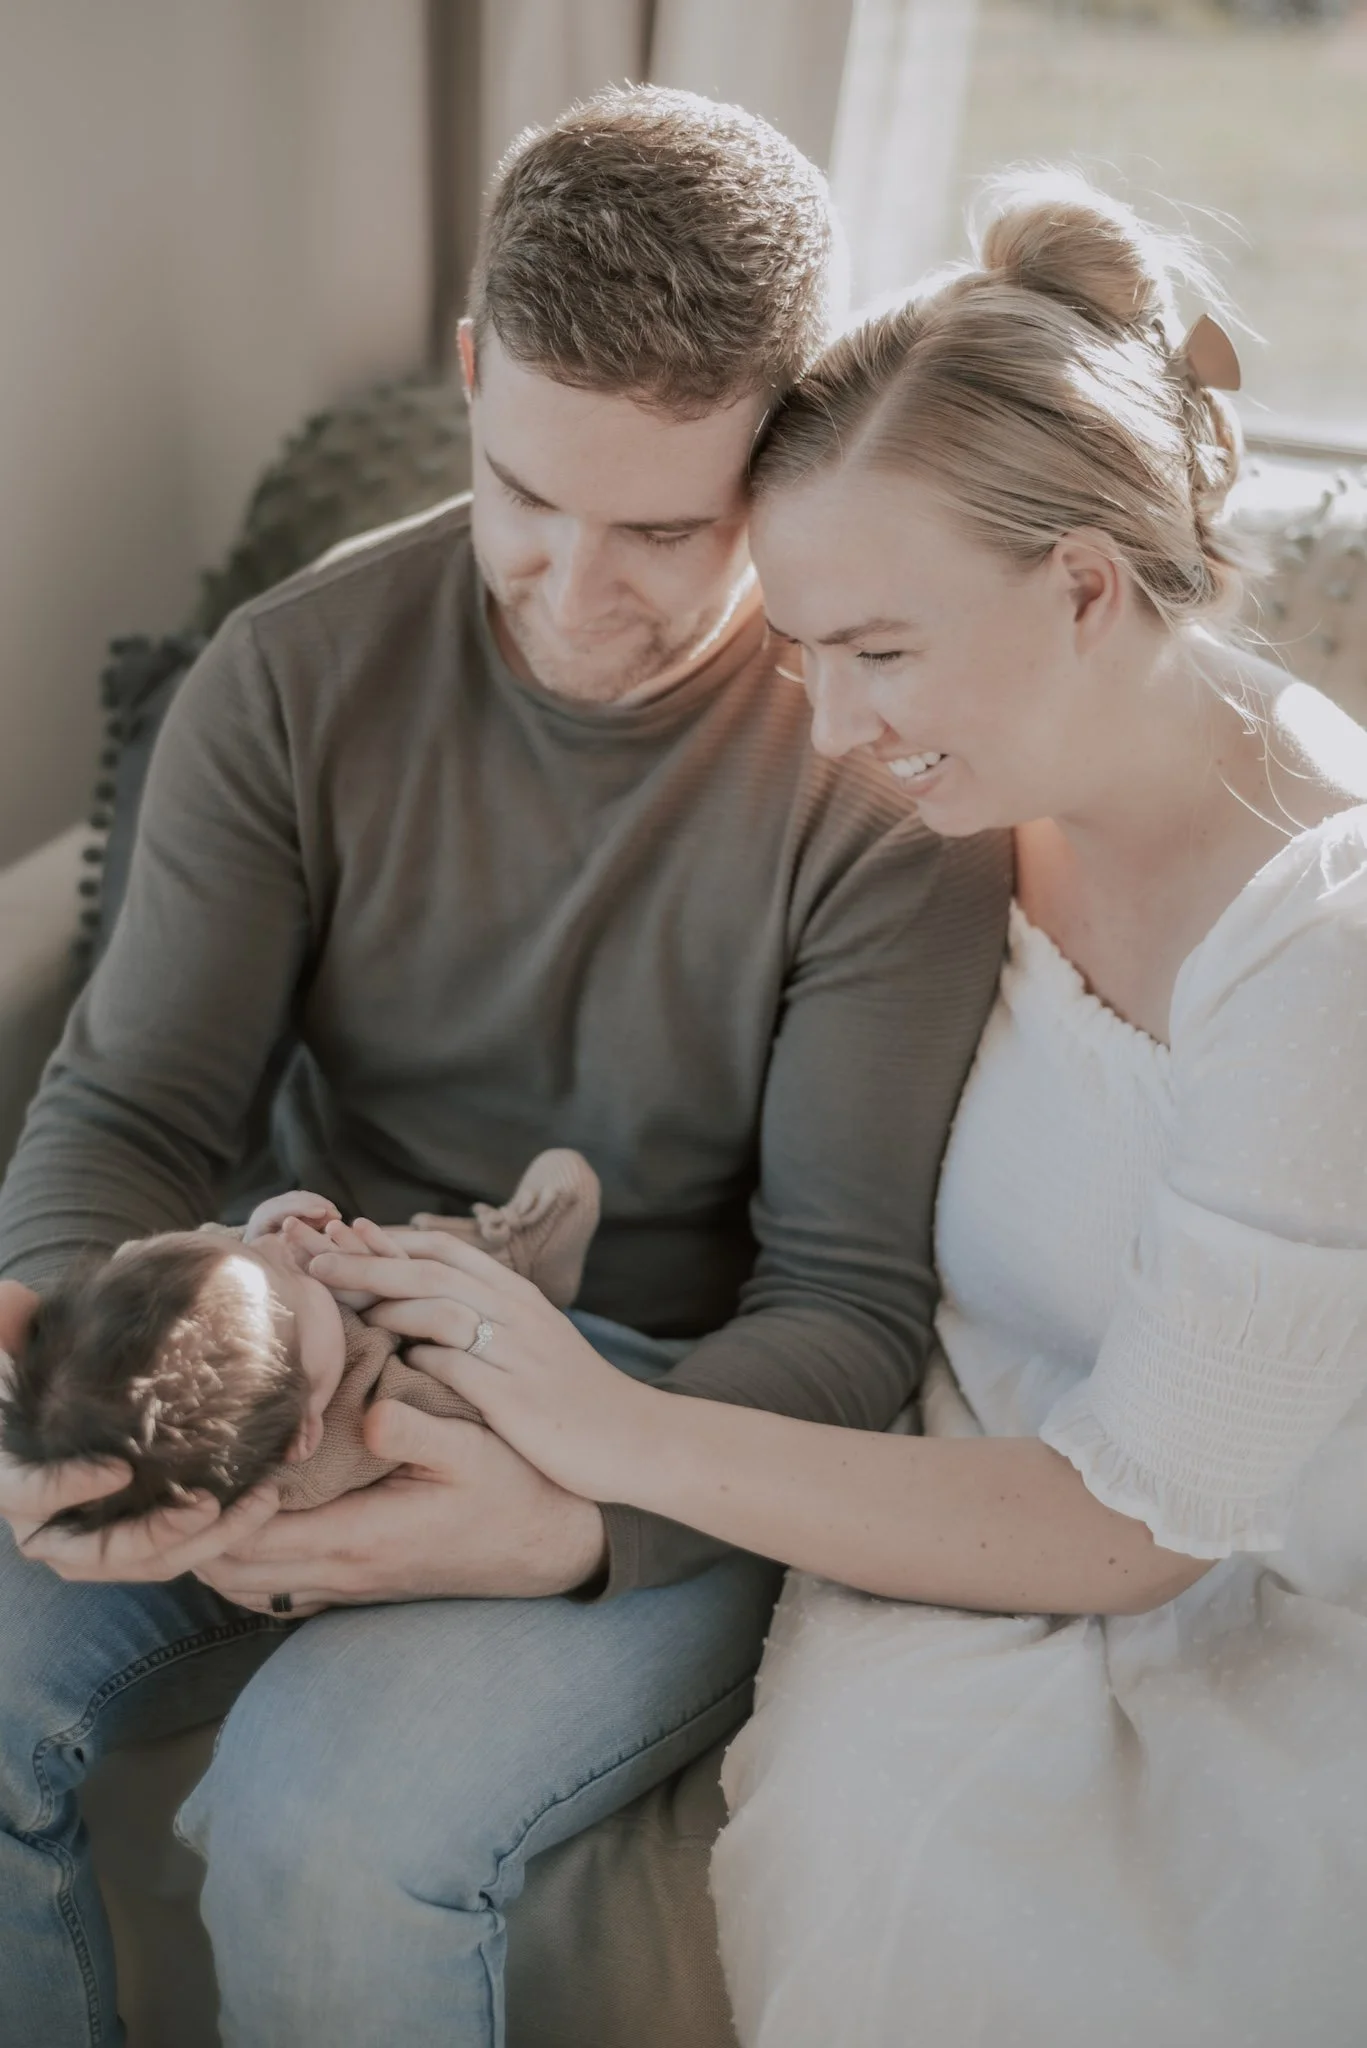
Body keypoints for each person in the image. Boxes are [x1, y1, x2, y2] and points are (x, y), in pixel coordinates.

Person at [0, 88, 1010, 2047]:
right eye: (520, 490)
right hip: (300, 1331)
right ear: (471, 372)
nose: (569, 588)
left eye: (661, 526)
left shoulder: (878, 769)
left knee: (316, 1823)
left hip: (674, 1401)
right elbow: (123, 1118)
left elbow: (842, 1308)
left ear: (787, 447)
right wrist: (80, 1368)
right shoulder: (292, 677)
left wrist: (577, 1523)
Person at [325, 172, 1367, 2046]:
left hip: (1239, 1560)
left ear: (1081, 586)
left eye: (877, 652)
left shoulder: (1320, 944)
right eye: (803, 653)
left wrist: (604, 1429)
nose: (825, 731)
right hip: (967, 1468)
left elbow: (1144, 1526)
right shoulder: (969, 796)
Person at [0, 1162, 603, 1528]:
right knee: (374, 1273)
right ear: (302, 1433)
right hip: (460, 1368)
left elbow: (198, 1266)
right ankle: (513, 1263)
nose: (282, 1250)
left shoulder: (237, 1347)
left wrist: (254, 1230)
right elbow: (487, 1410)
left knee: (335, 1267)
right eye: (284, 1275)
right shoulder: (358, 1426)